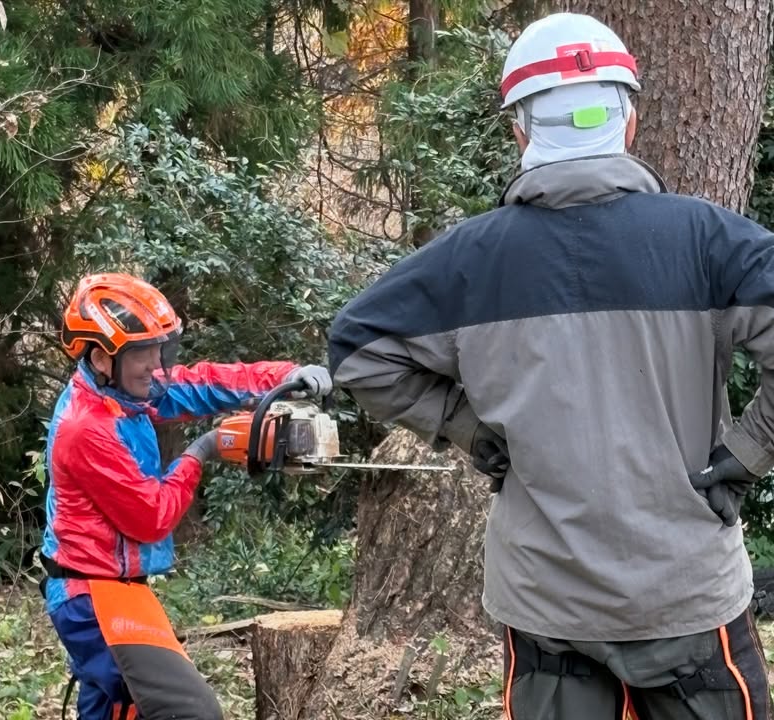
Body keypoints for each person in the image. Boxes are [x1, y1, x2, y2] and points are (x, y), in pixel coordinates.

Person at [328, 12, 772, 720]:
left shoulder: (467, 262)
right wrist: (746, 455)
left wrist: (465, 427)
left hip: (545, 604)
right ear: (628, 122)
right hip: (685, 595)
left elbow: (356, 349)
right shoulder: (710, 242)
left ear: (520, 132)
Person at [41, 272, 331, 720]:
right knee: (191, 711)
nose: (154, 365)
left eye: (158, 349)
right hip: (91, 596)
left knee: (116, 710)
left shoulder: (125, 393)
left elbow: (202, 384)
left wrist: (284, 377)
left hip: (118, 587)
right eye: (142, 353)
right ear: (101, 358)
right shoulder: (86, 428)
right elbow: (151, 518)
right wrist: (204, 449)